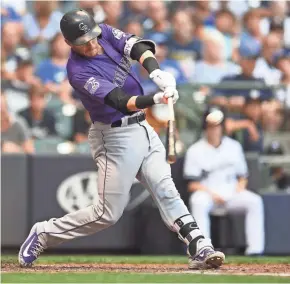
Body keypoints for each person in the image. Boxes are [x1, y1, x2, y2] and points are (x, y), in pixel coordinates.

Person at [18, 9, 225, 270]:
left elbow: (137, 46)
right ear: (69, 43)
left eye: (92, 37)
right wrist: (156, 98)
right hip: (113, 137)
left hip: (143, 128)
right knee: (107, 214)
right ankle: (44, 233)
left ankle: (198, 244)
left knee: (165, 188)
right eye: (83, 42)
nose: (92, 44)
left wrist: (156, 73)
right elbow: (121, 102)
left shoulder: (102, 32)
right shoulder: (78, 72)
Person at [184, 106, 265, 256]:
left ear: (222, 127)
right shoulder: (195, 150)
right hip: (208, 194)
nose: (215, 130)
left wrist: (239, 188)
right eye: (211, 126)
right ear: (205, 127)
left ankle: (255, 250)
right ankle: (203, 249)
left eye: (217, 126)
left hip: (231, 193)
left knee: (254, 201)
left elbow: (243, 176)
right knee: (198, 201)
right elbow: (192, 184)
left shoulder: (234, 147)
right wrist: (212, 194)